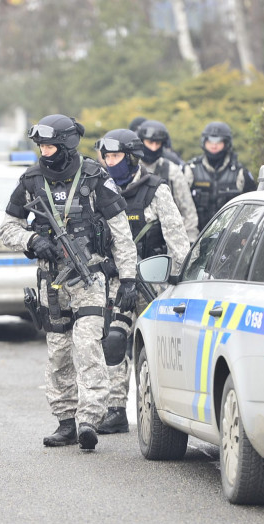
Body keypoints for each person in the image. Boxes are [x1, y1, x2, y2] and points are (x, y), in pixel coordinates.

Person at [0, 114, 138, 451]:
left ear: (66, 145)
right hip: (52, 282)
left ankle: (89, 419)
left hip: (89, 277)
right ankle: (66, 422)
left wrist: (128, 278)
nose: (44, 152)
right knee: (59, 353)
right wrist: (32, 240)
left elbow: (121, 232)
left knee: (88, 345)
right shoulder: (31, 180)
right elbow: (7, 227)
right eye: (41, 147)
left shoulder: (94, 177)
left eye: (49, 146)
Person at [93, 129, 189, 435]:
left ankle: (163, 410)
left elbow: (177, 240)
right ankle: (115, 409)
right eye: (107, 157)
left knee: (156, 349)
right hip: (117, 283)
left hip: (152, 283)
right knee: (113, 340)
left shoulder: (156, 190)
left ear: (132, 157)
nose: (110, 162)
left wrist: (179, 282)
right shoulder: (99, 190)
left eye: (116, 156)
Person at [184, 121, 257, 231]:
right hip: (196, 234)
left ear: (226, 143)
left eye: (218, 142)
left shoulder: (240, 173)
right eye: (210, 141)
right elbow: (180, 205)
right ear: (204, 142)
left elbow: (252, 209)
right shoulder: (190, 170)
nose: (214, 145)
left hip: (230, 234)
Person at [135, 119, 199, 241]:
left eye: (157, 143)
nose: (153, 148)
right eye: (150, 142)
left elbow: (188, 211)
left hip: (166, 240)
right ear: (141, 142)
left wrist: (190, 241)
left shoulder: (172, 170)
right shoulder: (131, 169)